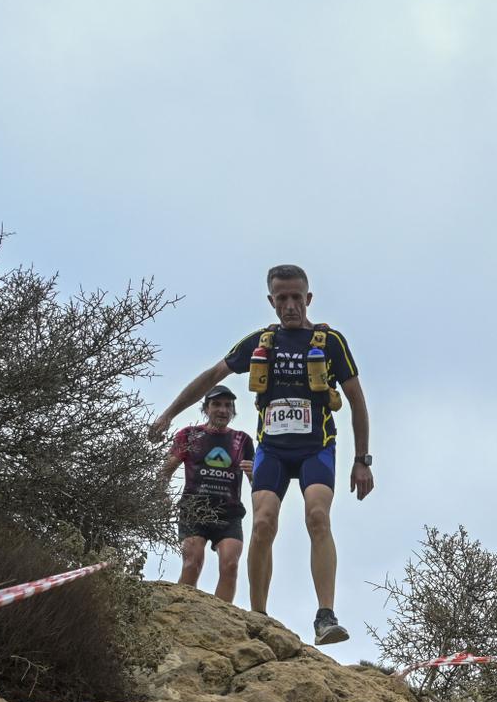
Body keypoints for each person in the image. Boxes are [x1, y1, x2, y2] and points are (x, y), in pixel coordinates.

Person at [148, 264, 374, 645]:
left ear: (309, 298)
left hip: (316, 449)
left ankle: (325, 616)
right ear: (271, 301)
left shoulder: (330, 342)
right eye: (282, 298)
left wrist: (362, 459)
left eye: (296, 298)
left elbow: (356, 400)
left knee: (318, 517)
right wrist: (169, 414)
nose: (290, 306)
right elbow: (210, 376)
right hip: (272, 450)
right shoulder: (260, 342)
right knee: (264, 523)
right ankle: (258, 615)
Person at [158, 384, 254, 602]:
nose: (222, 410)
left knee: (230, 565)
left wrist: (254, 474)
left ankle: (221, 620)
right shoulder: (189, 435)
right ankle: (182, 611)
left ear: (233, 411)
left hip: (228, 513)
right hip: (195, 509)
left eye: (227, 406)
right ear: (206, 408)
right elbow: (165, 471)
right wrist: (161, 495)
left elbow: (257, 483)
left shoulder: (243, 440)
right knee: (192, 562)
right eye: (216, 405)